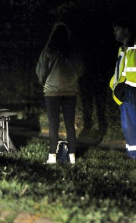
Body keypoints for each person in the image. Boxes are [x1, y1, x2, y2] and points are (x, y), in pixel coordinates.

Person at [36, 22, 83, 164]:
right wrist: (72, 80)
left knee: (53, 125)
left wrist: (46, 83)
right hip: (70, 91)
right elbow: (81, 69)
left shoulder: (48, 51)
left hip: (51, 92)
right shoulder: (73, 52)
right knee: (70, 124)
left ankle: (52, 157)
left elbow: (41, 71)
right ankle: (72, 157)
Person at [109, 18, 136, 160]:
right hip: (125, 91)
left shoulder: (133, 47)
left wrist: (122, 88)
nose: (114, 33)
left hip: (131, 91)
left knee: (132, 124)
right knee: (128, 124)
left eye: (117, 29)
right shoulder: (124, 48)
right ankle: (132, 154)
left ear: (126, 30)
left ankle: (135, 156)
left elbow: (132, 76)